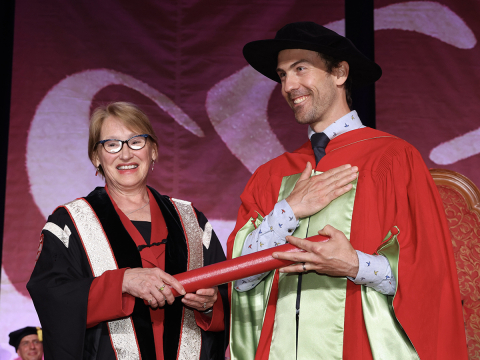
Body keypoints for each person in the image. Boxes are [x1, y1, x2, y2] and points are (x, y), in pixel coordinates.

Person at [227, 22, 467, 359]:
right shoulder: (271, 175)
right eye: (282, 75)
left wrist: (354, 264)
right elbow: (239, 279)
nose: (288, 85)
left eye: (300, 69)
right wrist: (289, 211)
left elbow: (430, 278)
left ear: (339, 72)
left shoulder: (393, 158)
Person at [27, 102, 228, 360]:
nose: (125, 155)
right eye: (111, 144)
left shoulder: (191, 220)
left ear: (153, 150)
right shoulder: (70, 223)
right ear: (96, 157)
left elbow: (226, 292)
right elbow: (52, 297)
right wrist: (121, 282)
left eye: (136, 142)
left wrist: (211, 306)